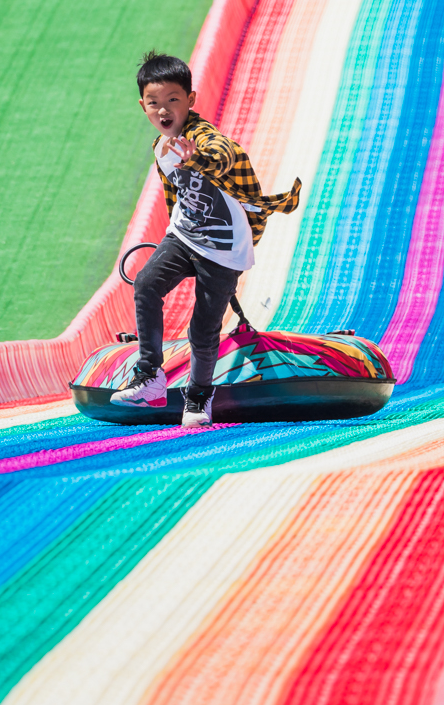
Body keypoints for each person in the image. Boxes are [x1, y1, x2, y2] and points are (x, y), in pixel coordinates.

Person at [112, 51, 302, 427]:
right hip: (185, 236)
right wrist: (176, 239)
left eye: (173, 100)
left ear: (191, 101)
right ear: (143, 106)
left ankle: (198, 397)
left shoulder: (203, 138)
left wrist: (197, 159)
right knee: (147, 284)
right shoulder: (161, 148)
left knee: (203, 327)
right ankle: (150, 375)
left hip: (224, 247)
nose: (163, 110)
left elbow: (222, 155)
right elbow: (176, 195)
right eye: (154, 103)